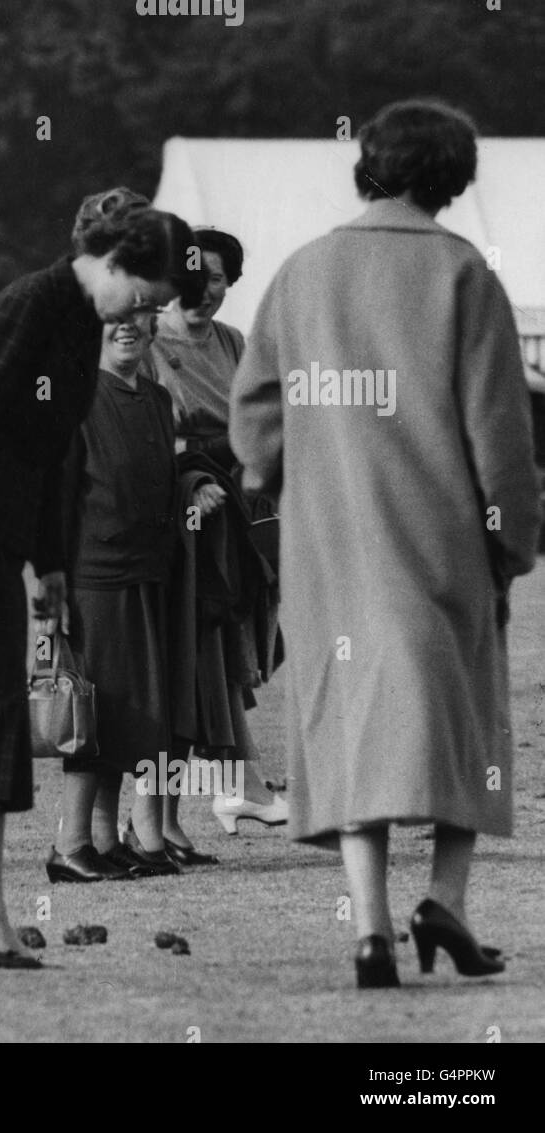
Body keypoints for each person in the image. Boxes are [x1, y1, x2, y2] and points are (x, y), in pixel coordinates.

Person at [230, 99, 540, 988]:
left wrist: (286, 482)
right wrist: (512, 542)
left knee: (352, 722)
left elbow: (253, 423)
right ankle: (444, 899)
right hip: (442, 539)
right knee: (462, 716)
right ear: (453, 176)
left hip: (330, 543)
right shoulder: (462, 273)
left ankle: (369, 928)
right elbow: (500, 432)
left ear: (367, 162)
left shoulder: (302, 271)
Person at [0, 188, 204, 970]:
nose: (141, 315)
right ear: (110, 261)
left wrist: (53, 566)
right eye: (141, 295)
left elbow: (44, 461)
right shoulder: (32, 305)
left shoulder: (79, 322)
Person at [48, 315, 225, 883]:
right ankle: (68, 845)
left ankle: (102, 841)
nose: (128, 329)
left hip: (149, 572)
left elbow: (167, 470)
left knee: (129, 713)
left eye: (139, 320)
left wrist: (194, 486)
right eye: (115, 320)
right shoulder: (71, 396)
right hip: (91, 577)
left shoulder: (153, 397)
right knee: (91, 713)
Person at [147, 228, 289, 838]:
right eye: (193, 274)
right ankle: (240, 785)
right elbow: (151, 427)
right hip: (184, 506)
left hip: (244, 505)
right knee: (203, 649)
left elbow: (268, 416)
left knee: (241, 646)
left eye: (217, 277)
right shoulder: (146, 339)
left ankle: (239, 783)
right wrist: (190, 477)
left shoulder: (236, 342)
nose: (205, 288)